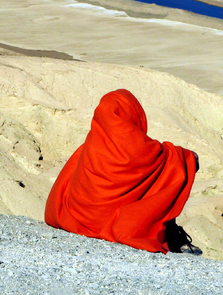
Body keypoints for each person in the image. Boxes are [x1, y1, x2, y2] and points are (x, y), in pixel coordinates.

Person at [44, 89, 199, 253]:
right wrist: (191, 157)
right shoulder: (138, 147)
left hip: (77, 219)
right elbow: (171, 159)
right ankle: (171, 234)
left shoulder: (89, 146)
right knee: (168, 177)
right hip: (116, 223)